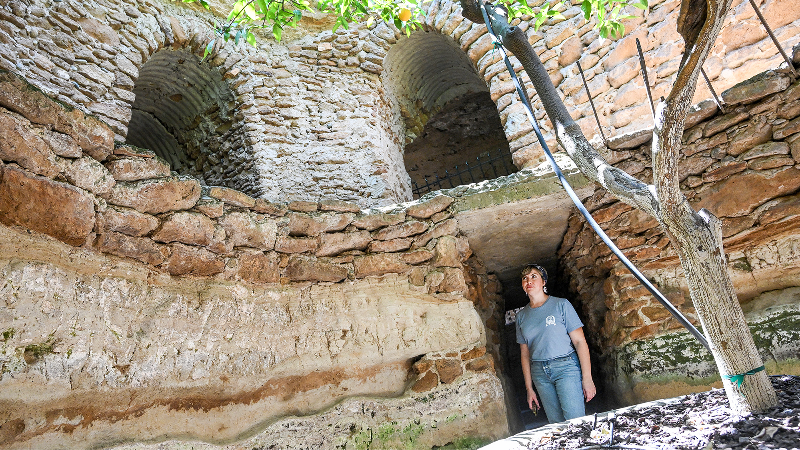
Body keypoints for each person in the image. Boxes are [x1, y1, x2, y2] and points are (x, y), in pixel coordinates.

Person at [515, 263, 596, 423]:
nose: (528, 281)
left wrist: (587, 378)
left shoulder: (561, 304)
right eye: (524, 278)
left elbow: (579, 341)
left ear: (544, 282)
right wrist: (529, 388)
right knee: (556, 425)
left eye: (533, 276)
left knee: (575, 421)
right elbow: (524, 354)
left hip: (565, 367)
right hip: (539, 373)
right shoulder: (521, 317)